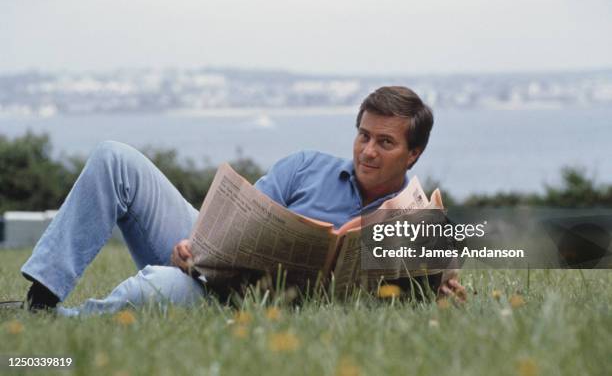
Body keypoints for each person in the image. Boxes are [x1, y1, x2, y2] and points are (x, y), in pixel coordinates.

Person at [14, 86, 465, 316]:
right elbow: (240, 217)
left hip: (235, 300)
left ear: (414, 153)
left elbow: (418, 290)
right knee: (115, 157)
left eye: (384, 143)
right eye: (363, 135)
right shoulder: (306, 166)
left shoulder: (416, 221)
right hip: (212, 264)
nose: (368, 151)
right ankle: (42, 299)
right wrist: (198, 245)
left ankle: (62, 330)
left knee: (152, 289)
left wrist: (436, 290)